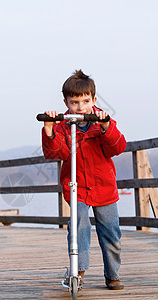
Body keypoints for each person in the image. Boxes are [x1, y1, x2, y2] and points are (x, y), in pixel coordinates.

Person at [41, 70, 126, 290]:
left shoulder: (101, 122)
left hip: (104, 187)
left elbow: (117, 148)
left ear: (94, 100)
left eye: (86, 101)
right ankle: (77, 272)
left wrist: (107, 126)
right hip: (77, 186)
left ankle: (112, 274)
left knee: (111, 231)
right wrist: (49, 128)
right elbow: (56, 152)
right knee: (79, 227)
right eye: (75, 102)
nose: (81, 107)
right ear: (66, 102)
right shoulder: (63, 126)